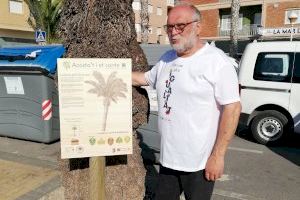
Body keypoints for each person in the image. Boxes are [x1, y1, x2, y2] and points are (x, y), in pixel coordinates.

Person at [132, 3, 241, 200]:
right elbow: (143, 78)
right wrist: (107, 72)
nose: (173, 32)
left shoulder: (217, 62)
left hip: (200, 164)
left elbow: (232, 109)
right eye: (169, 27)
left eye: (180, 26)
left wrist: (218, 156)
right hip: (168, 160)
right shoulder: (167, 59)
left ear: (197, 27)